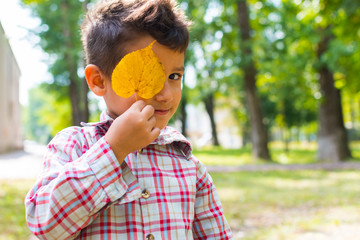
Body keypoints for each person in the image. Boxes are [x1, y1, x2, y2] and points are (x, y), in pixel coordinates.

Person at [25, 0, 233, 239]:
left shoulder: (188, 164)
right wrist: (113, 149)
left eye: (174, 76)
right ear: (99, 81)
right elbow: (44, 225)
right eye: (146, 74)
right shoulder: (73, 146)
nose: (165, 94)